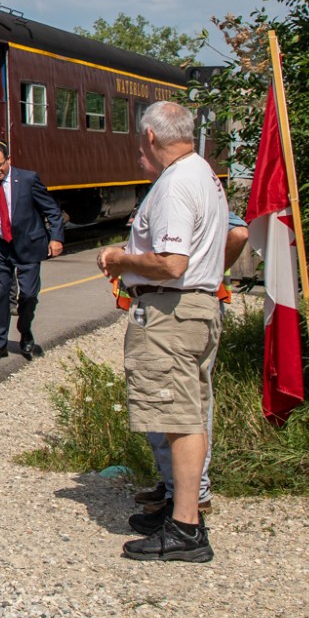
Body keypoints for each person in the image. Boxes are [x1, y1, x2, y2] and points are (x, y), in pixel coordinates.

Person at [97, 100, 227, 563]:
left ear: (150, 136)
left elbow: (171, 264)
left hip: (173, 312)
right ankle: (178, 506)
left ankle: (187, 528)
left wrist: (119, 257)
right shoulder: (202, 173)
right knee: (186, 411)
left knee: (179, 418)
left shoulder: (174, 186)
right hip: (194, 308)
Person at [132, 213, 250, 526]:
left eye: (142, 157)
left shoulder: (186, 182)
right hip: (169, 304)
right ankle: (177, 486)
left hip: (178, 308)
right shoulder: (176, 183)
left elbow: (238, 234)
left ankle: (188, 496)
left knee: (178, 404)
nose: (140, 160)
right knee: (172, 401)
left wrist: (205, 272)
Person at [0, 142, 65, 360]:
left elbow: (52, 210)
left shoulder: (28, 180)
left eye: (0, 165)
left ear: (9, 160)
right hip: (0, 246)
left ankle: (25, 332)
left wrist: (56, 238)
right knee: (1, 296)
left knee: (27, 295)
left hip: (29, 245)